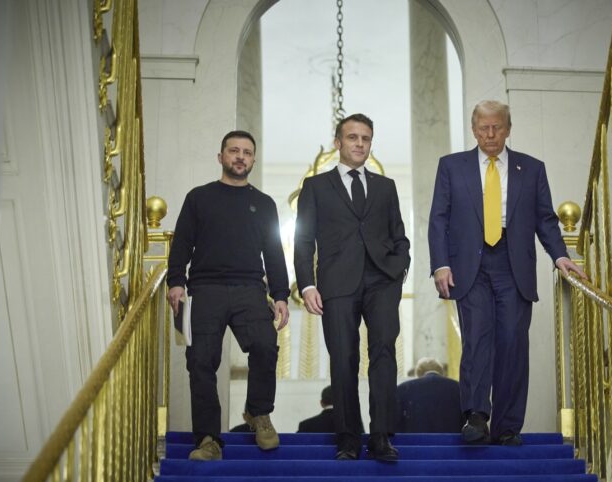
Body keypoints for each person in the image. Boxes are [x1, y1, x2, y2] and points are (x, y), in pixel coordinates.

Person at [428, 100, 586, 446]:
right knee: (478, 339)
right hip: (470, 266)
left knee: (514, 342)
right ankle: (475, 416)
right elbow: (439, 217)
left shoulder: (531, 169)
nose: (490, 134)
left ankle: (508, 425)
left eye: (497, 127)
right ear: (473, 130)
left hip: (513, 266)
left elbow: (545, 219)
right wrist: (441, 264)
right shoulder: (452, 167)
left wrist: (560, 257)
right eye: (483, 127)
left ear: (508, 129)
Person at [294, 113, 411, 462]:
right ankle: (347, 439)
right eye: (352, 137)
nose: (360, 144)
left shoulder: (385, 187)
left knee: (384, 354)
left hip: (381, 281)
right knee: (343, 360)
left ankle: (381, 437)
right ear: (338, 143)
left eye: (365, 138)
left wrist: (399, 267)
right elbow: (303, 241)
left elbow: (399, 235)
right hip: (337, 283)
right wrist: (307, 285)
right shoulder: (315, 187)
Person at [167, 130, 290, 460]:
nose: (240, 156)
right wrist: (176, 282)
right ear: (220, 157)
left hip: (250, 288)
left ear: (253, 160)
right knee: (201, 362)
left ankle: (258, 413)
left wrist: (281, 295)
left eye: (247, 152)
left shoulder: (264, 204)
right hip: (204, 290)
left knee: (265, 345)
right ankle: (208, 439)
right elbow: (181, 244)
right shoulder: (199, 198)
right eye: (233, 151)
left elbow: (274, 253)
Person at [396, 358, 463, 433]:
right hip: (453, 442)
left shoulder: (402, 389)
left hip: (412, 442)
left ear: (417, 374)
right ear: (442, 372)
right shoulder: (459, 388)